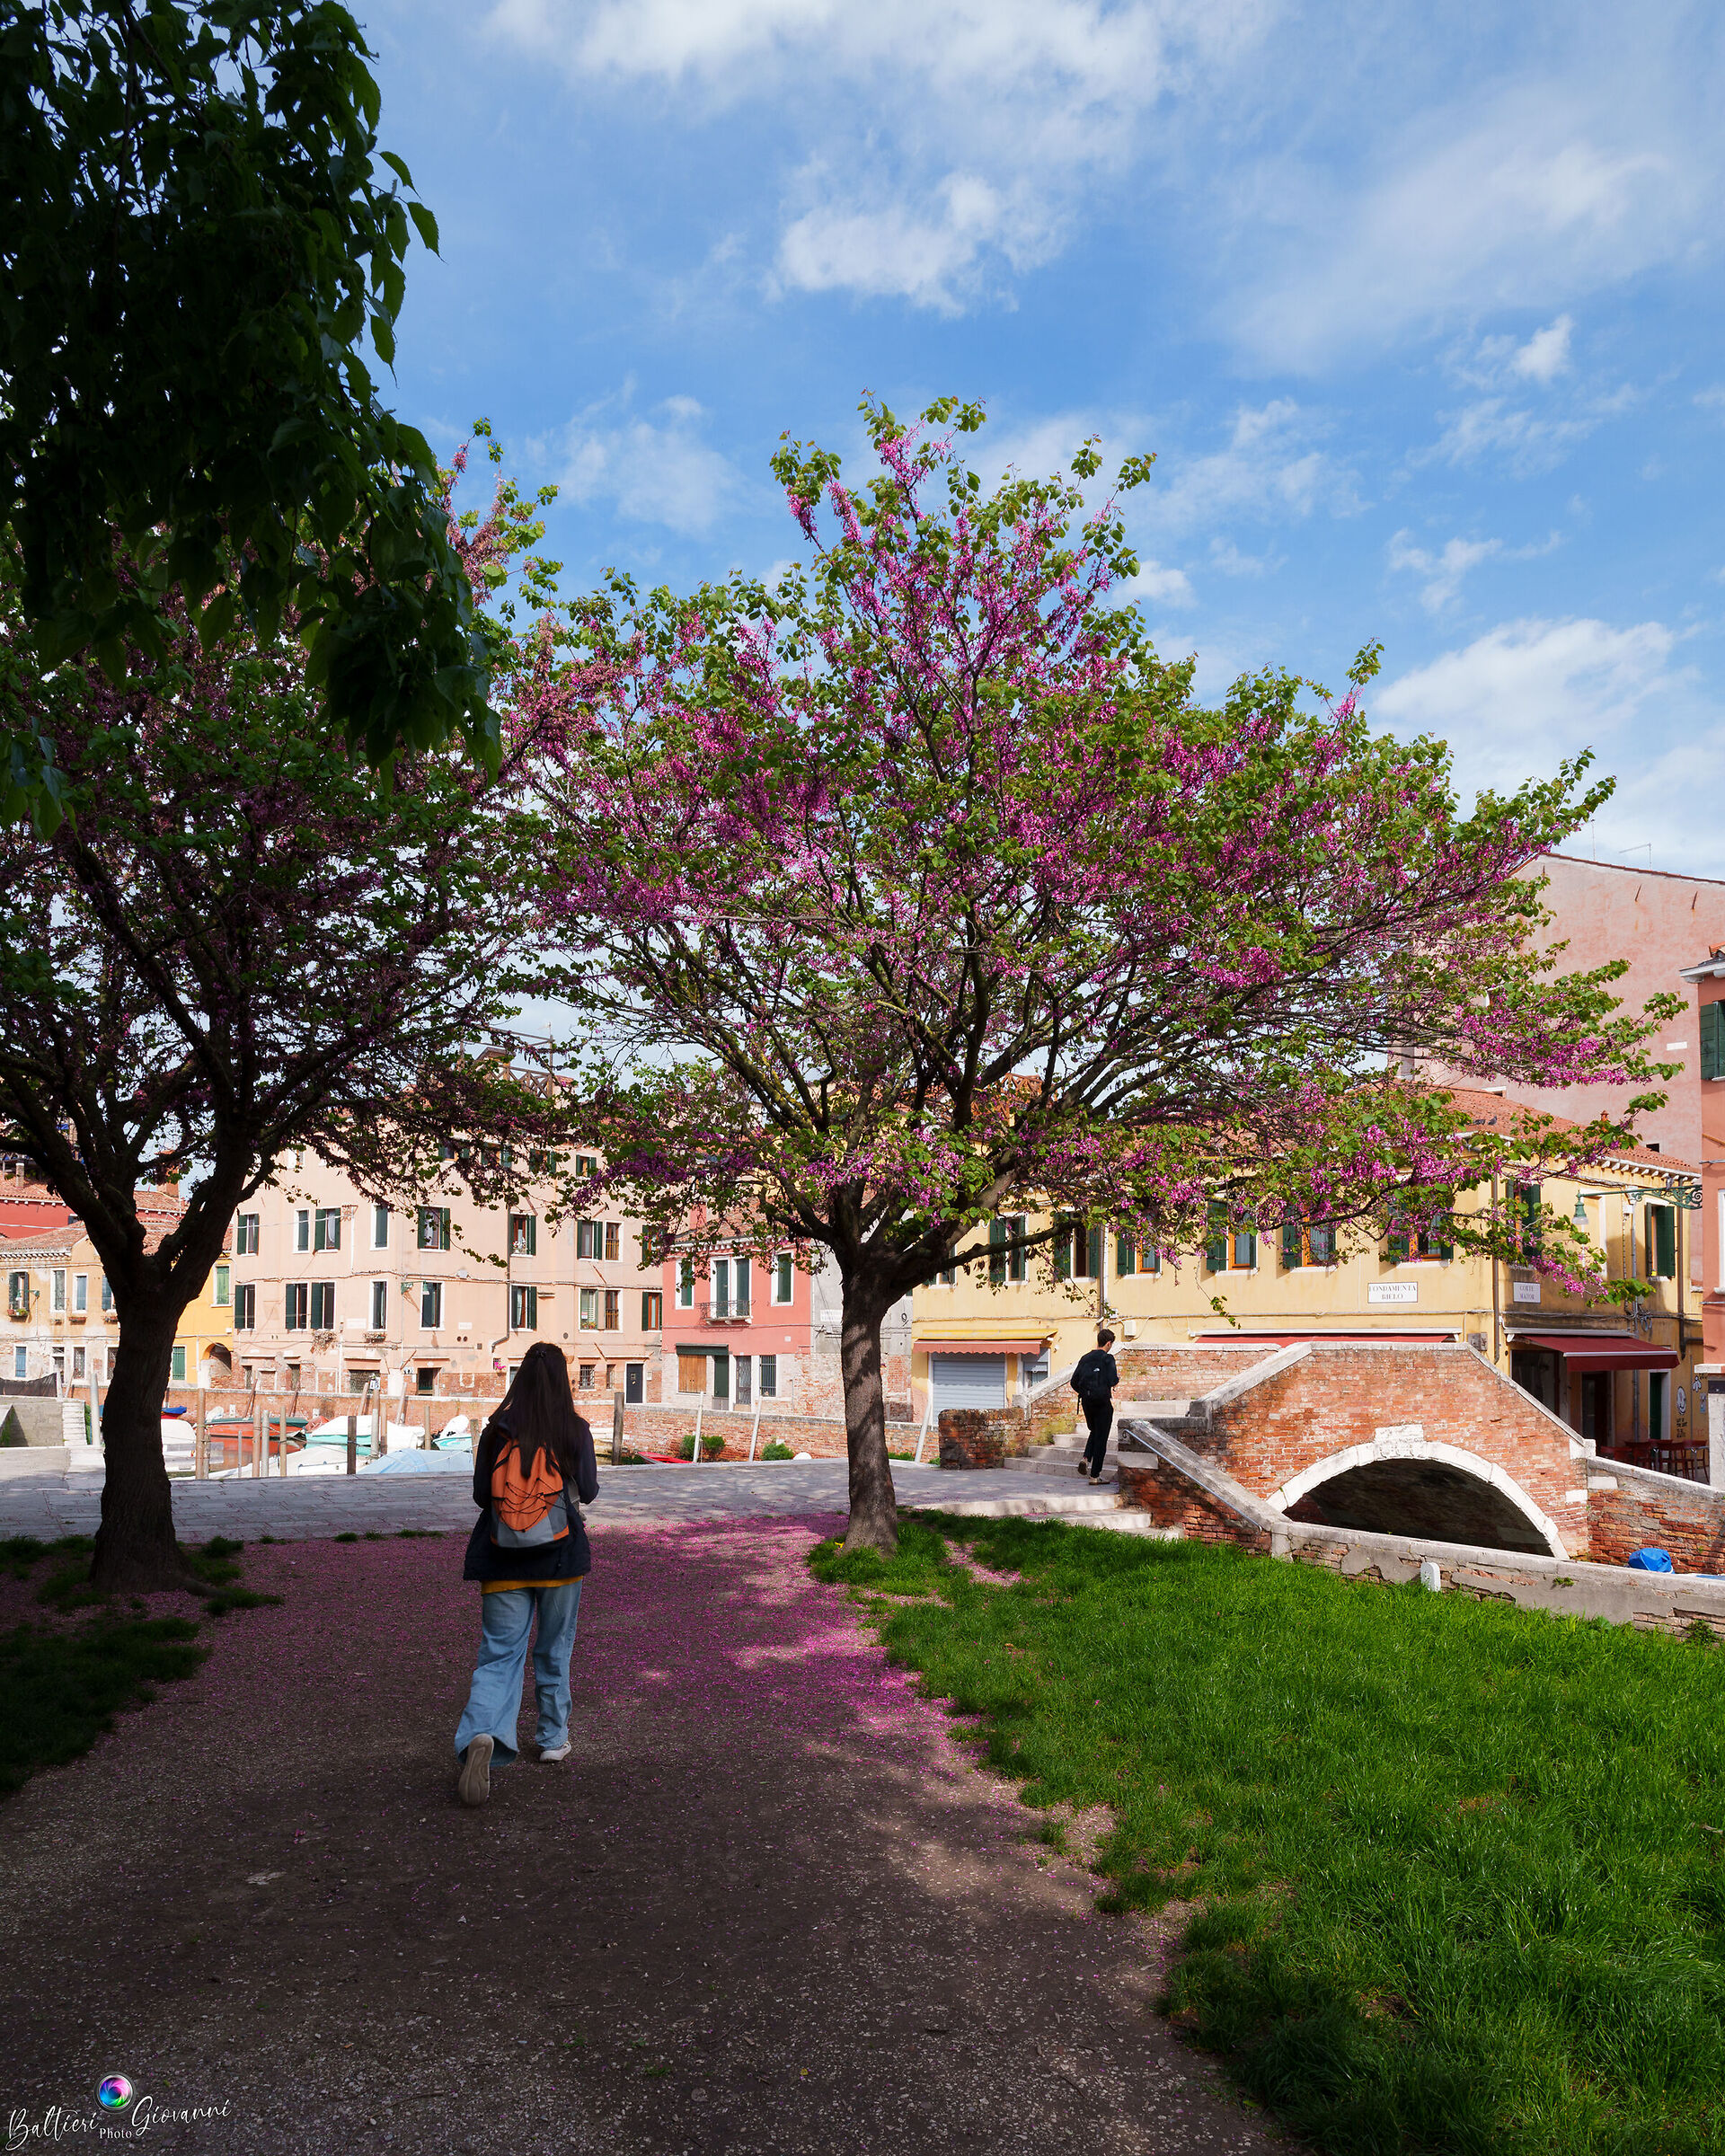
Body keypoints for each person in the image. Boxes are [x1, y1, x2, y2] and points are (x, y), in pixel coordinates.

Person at [454, 1341, 599, 1807]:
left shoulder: (496, 1430)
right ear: (562, 1381)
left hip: (502, 1560)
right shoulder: (573, 1430)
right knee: (555, 1647)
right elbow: (590, 1493)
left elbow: (481, 1496)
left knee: (499, 1655)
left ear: (519, 1380)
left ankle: (483, 1734)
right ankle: (553, 1739)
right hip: (560, 1560)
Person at [1069, 1329, 1119, 1484]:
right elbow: (1112, 1380)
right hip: (1103, 1402)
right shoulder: (1108, 1358)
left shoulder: (1085, 1358)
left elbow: (1073, 1382)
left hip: (1087, 1402)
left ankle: (1086, 1458)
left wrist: (1084, 1392)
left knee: (1095, 1430)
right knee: (1101, 1438)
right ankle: (1094, 1476)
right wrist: (1116, 1381)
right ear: (1109, 1343)